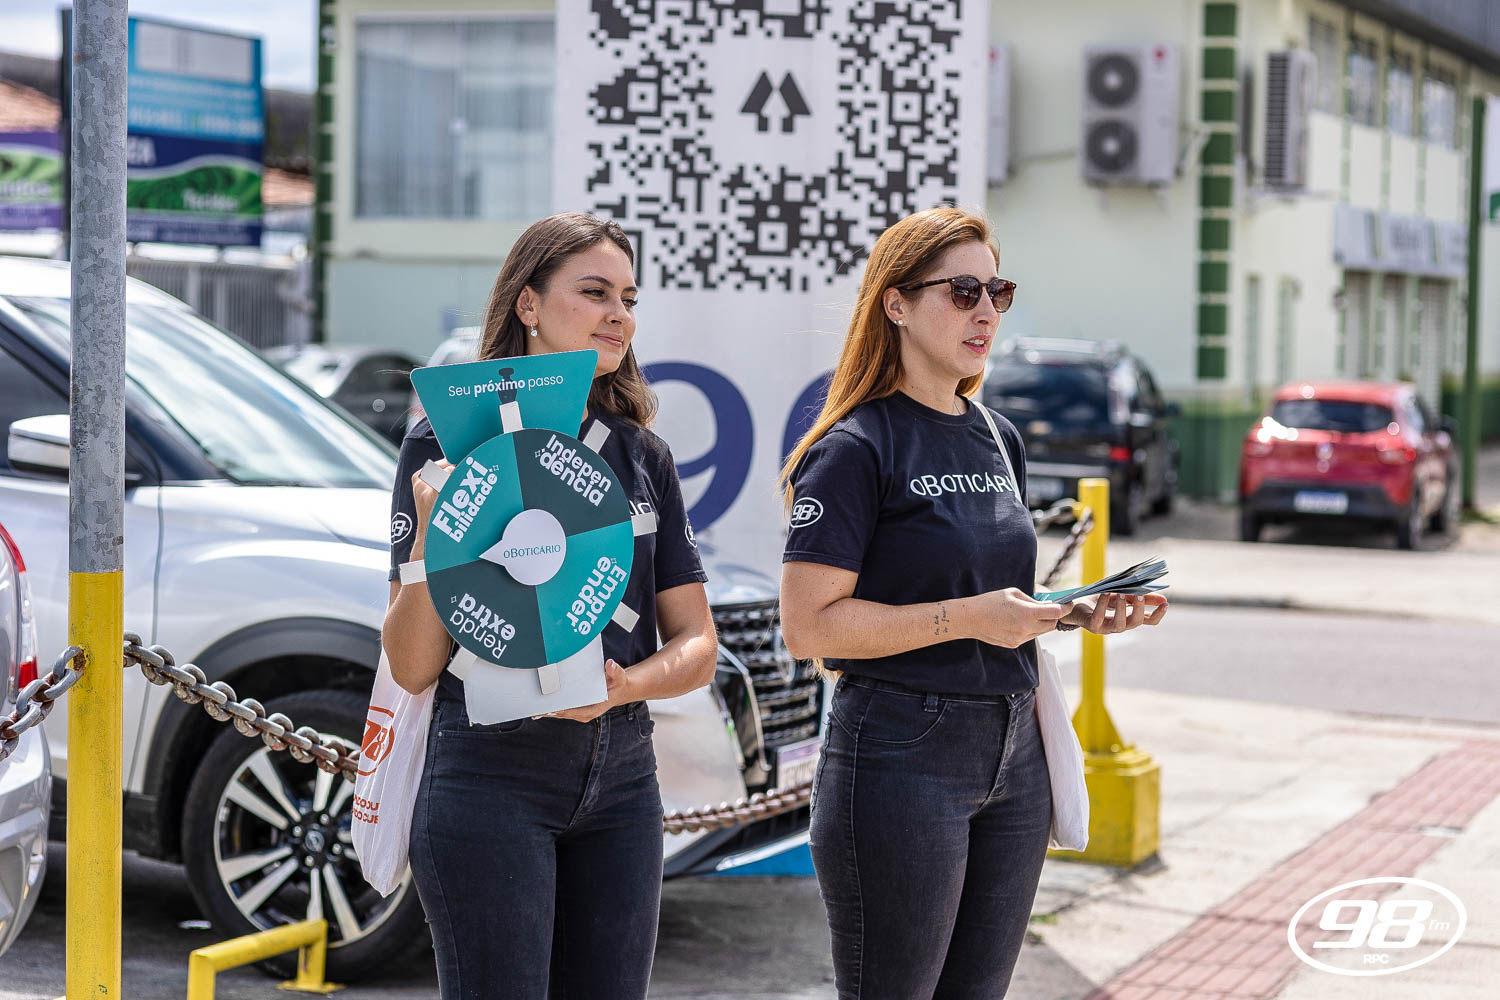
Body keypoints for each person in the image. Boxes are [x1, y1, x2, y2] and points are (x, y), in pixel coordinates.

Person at [778, 206, 1168, 999]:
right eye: (962, 291)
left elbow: (983, 589)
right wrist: (971, 619)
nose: (986, 310)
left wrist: (1074, 609)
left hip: (1015, 749)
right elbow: (808, 626)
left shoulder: (997, 436)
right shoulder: (855, 447)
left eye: (998, 291)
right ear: (895, 303)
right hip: (901, 752)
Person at [382, 212, 718, 1000]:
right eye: (595, 292)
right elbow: (411, 666)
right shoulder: (442, 445)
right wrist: (434, 536)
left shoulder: (642, 454)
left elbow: (697, 644)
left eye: (629, 298)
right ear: (527, 304)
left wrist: (626, 687)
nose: (619, 315)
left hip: (624, 777)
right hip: (488, 772)